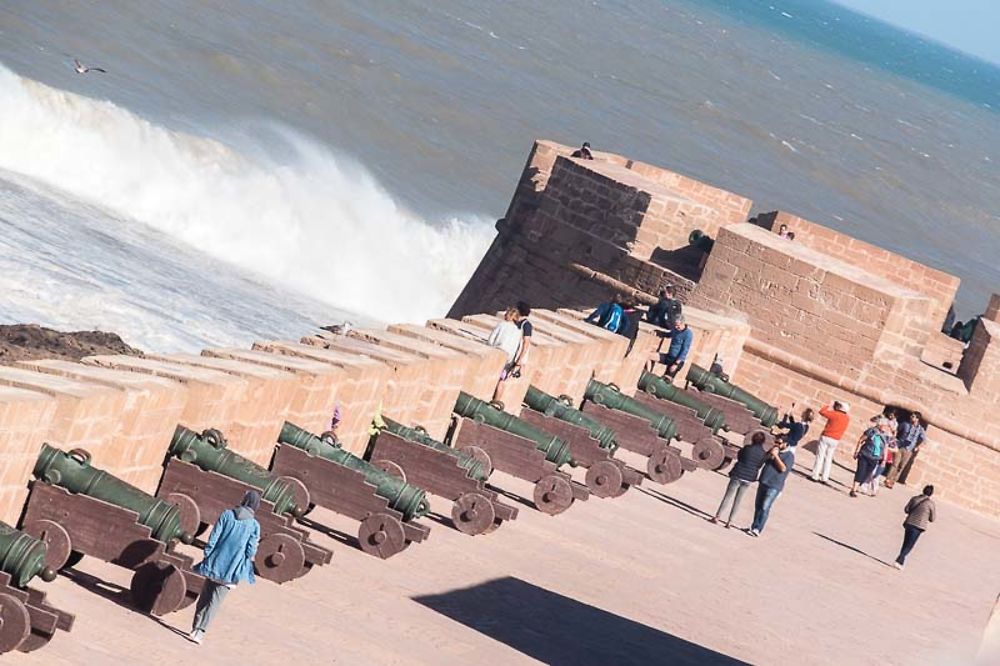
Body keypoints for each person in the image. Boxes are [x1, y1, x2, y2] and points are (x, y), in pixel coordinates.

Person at [189, 490, 261, 644]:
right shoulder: (254, 525)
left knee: (205, 596)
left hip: (214, 563)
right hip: (231, 569)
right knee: (215, 601)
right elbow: (251, 550)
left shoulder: (227, 514)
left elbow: (214, 536)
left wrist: (208, 554)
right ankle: (200, 631)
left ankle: (195, 626)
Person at [711, 431, 772, 528]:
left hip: (738, 473)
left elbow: (739, 457)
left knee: (728, 496)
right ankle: (730, 522)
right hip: (749, 478)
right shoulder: (763, 454)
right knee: (738, 500)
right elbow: (759, 465)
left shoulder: (747, 448)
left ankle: (717, 517)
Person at [748, 435, 793, 536]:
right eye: (776, 442)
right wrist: (768, 454)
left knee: (765, 507)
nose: (776, 445)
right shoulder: (772, 451)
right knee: (758, 505)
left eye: (779, 443)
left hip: (774, 485)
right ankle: (753, 526)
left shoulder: (789, 456)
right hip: (764, 481)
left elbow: (783, 469)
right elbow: (761, 462)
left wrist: (776, 456)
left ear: (786, 444)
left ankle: (758, 529)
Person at [894, 485, 936, 569]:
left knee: (905, 542)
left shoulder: (915, 499)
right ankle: (900, 559)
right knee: (910, 544)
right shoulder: (931, 504)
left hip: (909, 523)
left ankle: (900, 560)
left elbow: (906, 509)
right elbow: (932, 518)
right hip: (919, 526)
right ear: (931, 493)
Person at [489, 307, 524, 403]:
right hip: (508, 359)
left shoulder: (502, 325)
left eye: (506, 313)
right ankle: (497, 401)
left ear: (511, 316)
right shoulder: (519, 331)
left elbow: (491, 340)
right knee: (502, 380)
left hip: (498, 352)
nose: (504, 315)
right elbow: (518, 347)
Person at [810, 401, 850, 484]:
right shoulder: (847, 418)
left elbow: (822, 412)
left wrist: (829, 405)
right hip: (836, 439)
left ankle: (815, 475)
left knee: (820, 456)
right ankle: (824, 478)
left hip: (826, 436)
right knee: (828, 459)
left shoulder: (835, 414)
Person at [644, 315, 693, 380]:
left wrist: (676, 364)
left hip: (676, 360)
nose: (676, 327)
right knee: (648, 355)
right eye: (675, 325)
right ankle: (648, 375)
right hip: (669, 356)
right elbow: (668, 335)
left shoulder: (688, 334)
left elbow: (685, 350)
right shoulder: (675, 330)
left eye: (678, 325)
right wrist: (657, 332)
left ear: (683, 323)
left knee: (666, 380)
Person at [850, 419, 890, 498]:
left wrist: (884, 460)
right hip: (864, 454)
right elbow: (861, 440)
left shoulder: (886, 435)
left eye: (887, 426)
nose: (886, 427)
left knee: (867, 474)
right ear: (879, 425)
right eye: (885, 425)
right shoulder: (871, 431)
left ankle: (857, 486)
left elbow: (886, 447)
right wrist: (856, 451)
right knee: (860, 471)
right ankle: (853, 489)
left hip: (875, 458)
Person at [885, 411, 925, 489]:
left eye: (913, 416)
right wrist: (894, 438)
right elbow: (897, 430)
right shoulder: (905, 424)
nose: (911, 417)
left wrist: (918, 447)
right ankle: (888, 479)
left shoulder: (920, 429)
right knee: (895, 463)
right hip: (900, 446)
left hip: (909, 449)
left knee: (901, 466)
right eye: (911, 416)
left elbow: (924, 439)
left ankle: (893, 481)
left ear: (917, 419)